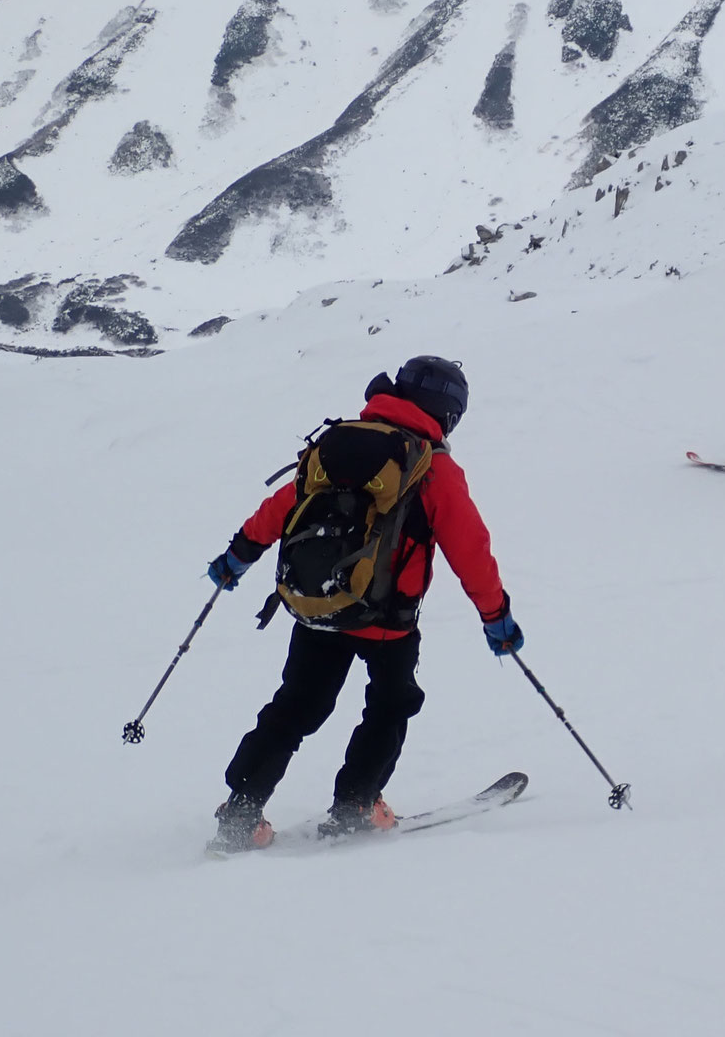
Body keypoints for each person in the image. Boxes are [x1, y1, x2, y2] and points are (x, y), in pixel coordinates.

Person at [201, 355, 524, 850]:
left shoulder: (339, 444)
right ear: (449, 411)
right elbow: (470, 549)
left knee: (295, 706)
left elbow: (283, 506)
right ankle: (356, 803)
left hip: (319, 609)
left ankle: (241, 810)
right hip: (388, 622)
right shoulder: (432, 466)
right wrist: (495, 615)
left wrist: (237, 556)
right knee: (391, 706)